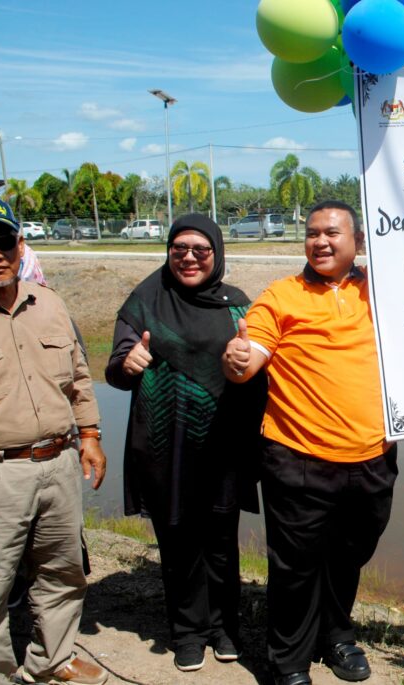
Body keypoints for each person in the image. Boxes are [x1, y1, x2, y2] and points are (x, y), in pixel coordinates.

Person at [222, 200, 396, 685]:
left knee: (349, 556)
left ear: (357, 242)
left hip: (373, 458)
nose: (320, 240)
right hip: (299, 459)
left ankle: (336, 636)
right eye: (312, 233)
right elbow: (250, 353)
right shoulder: (281, 296)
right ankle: (289, 663)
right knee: (296, 568)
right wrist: (239, 358)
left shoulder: (384, 294)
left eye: (332, 232)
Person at [0, 194, 108, 685]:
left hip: (58, 465)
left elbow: (79, 377)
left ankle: (53, 660)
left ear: (20, 245)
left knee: (63, 572)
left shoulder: (50, 303)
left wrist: (90, 435)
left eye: (3, 241)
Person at [104, 214, 266, 672]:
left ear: (217, 254)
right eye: (180, 249)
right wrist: (128, 362)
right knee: (178, 541)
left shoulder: (236, 305)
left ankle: (224, 626)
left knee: (220, 541)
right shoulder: (145, 301)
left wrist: (248, 362)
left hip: (223, 447)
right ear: (168, 252)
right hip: (165, 447)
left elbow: (257, 368)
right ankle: (188, 631)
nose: (190, 257)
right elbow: (115, 368)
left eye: (201, 250)